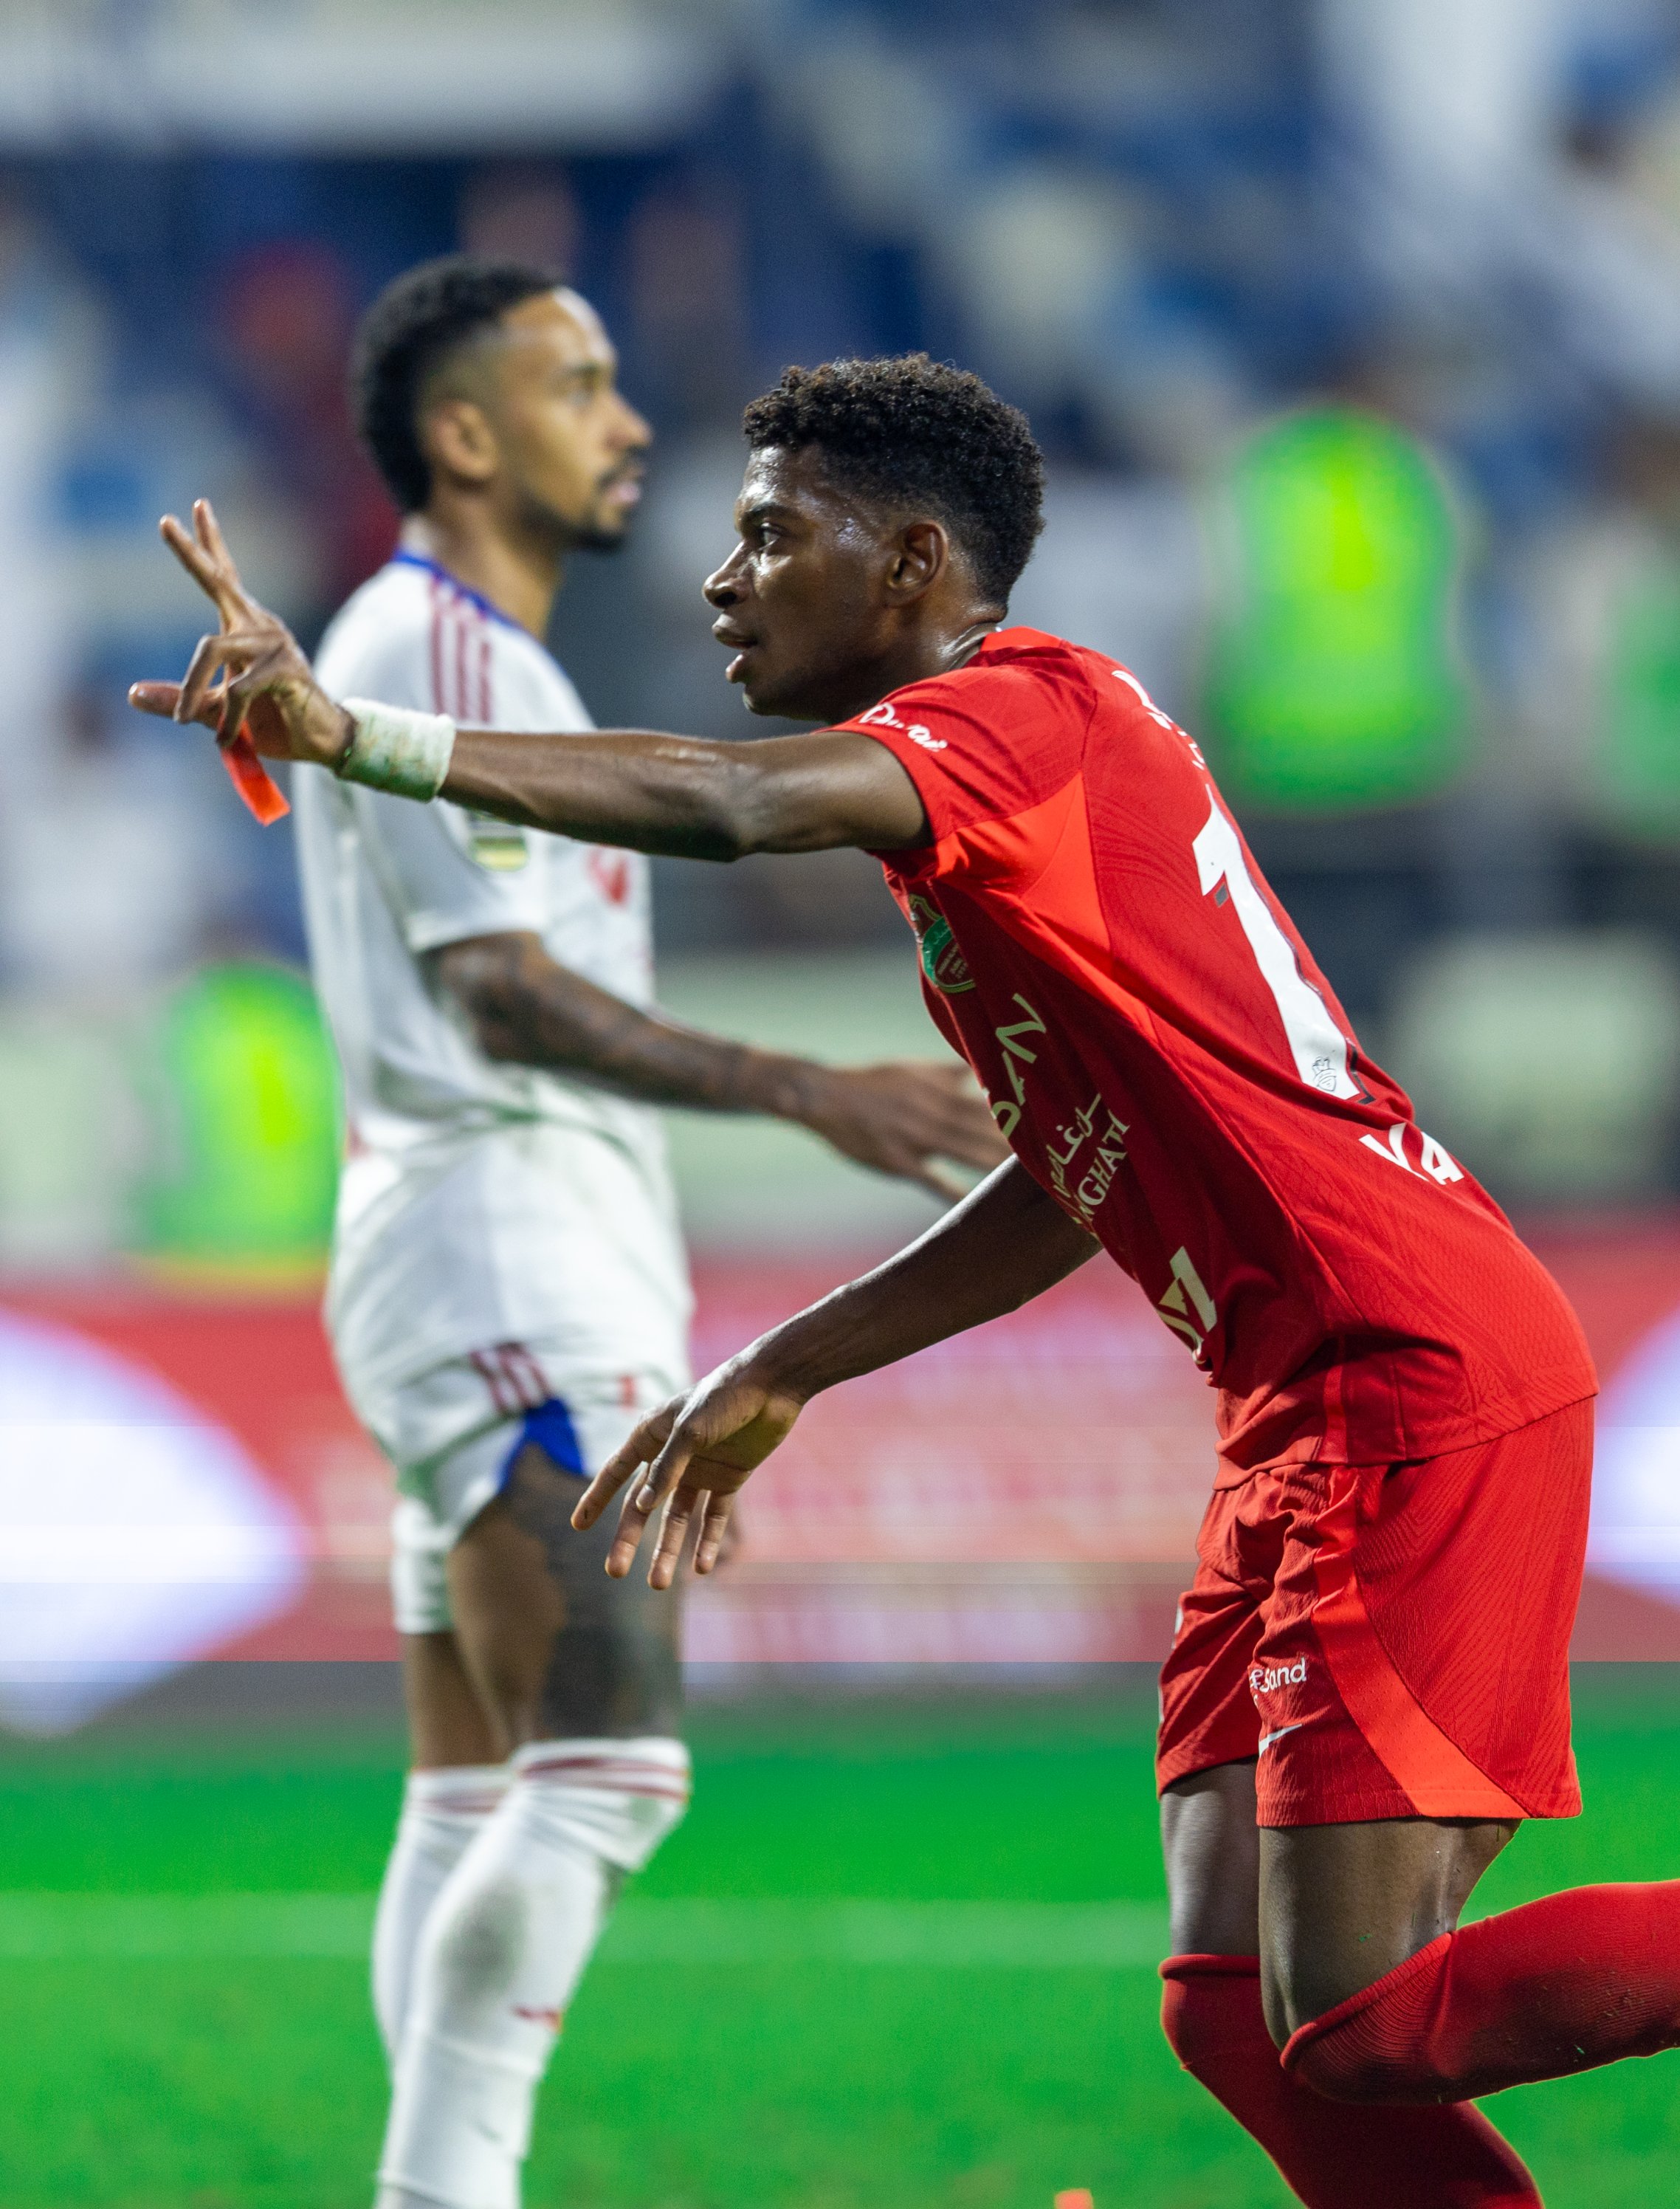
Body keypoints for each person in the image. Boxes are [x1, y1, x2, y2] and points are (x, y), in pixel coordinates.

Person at [134, 353, 1679, 2209]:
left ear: (913, 563)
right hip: (1300, 1400)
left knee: (1353, 2016)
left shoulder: (1019, 718)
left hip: (1407, 1369)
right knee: (1226, 2004)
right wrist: (793, 1360)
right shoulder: (996, 814)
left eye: (770, 535)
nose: (724, 581)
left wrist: (349, 735)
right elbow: (1074, 1176)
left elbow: (726, 806)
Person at [202, 275, 1008, 2209]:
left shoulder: (484, 660)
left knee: (477, 1782)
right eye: (576, 386)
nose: (629, 423)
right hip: (501, 1231)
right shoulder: (435, 642)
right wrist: (806, 1085)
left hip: (482, 1238)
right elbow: (500, 991)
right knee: (610, 1770)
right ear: (465, 436)